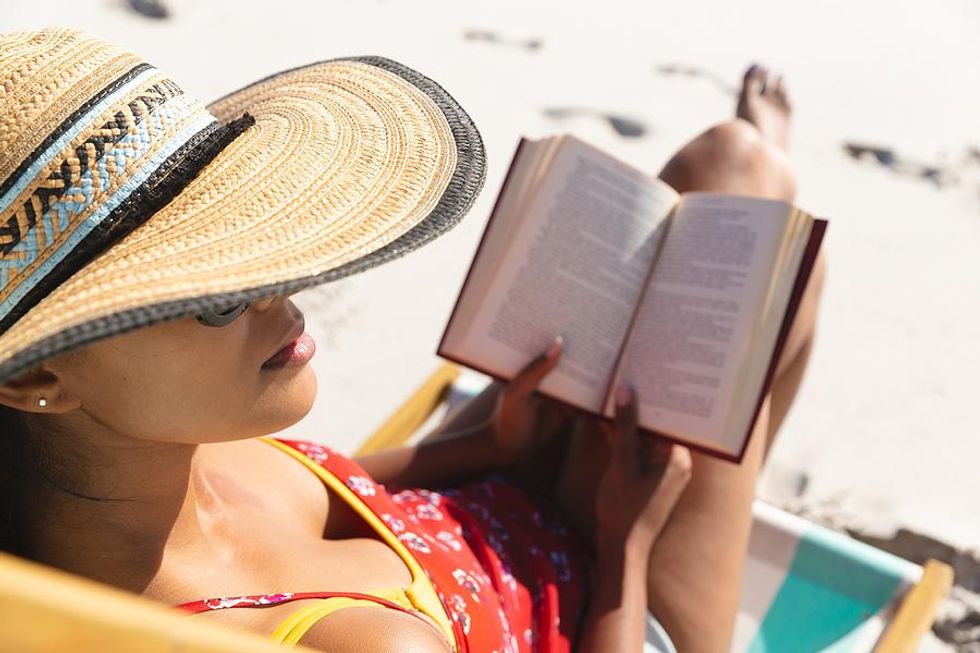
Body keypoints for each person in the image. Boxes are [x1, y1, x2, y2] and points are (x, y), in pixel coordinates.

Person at [0, 27, 825, 653]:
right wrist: (626, 543)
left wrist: (474, 449)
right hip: (609, 607)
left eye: (265, 255)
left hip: (478, 509)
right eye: (220, 295)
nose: (286, 296)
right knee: (767, 243)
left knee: (728, 174)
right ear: (39, 371)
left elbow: (341, 490)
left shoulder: (141, 447)